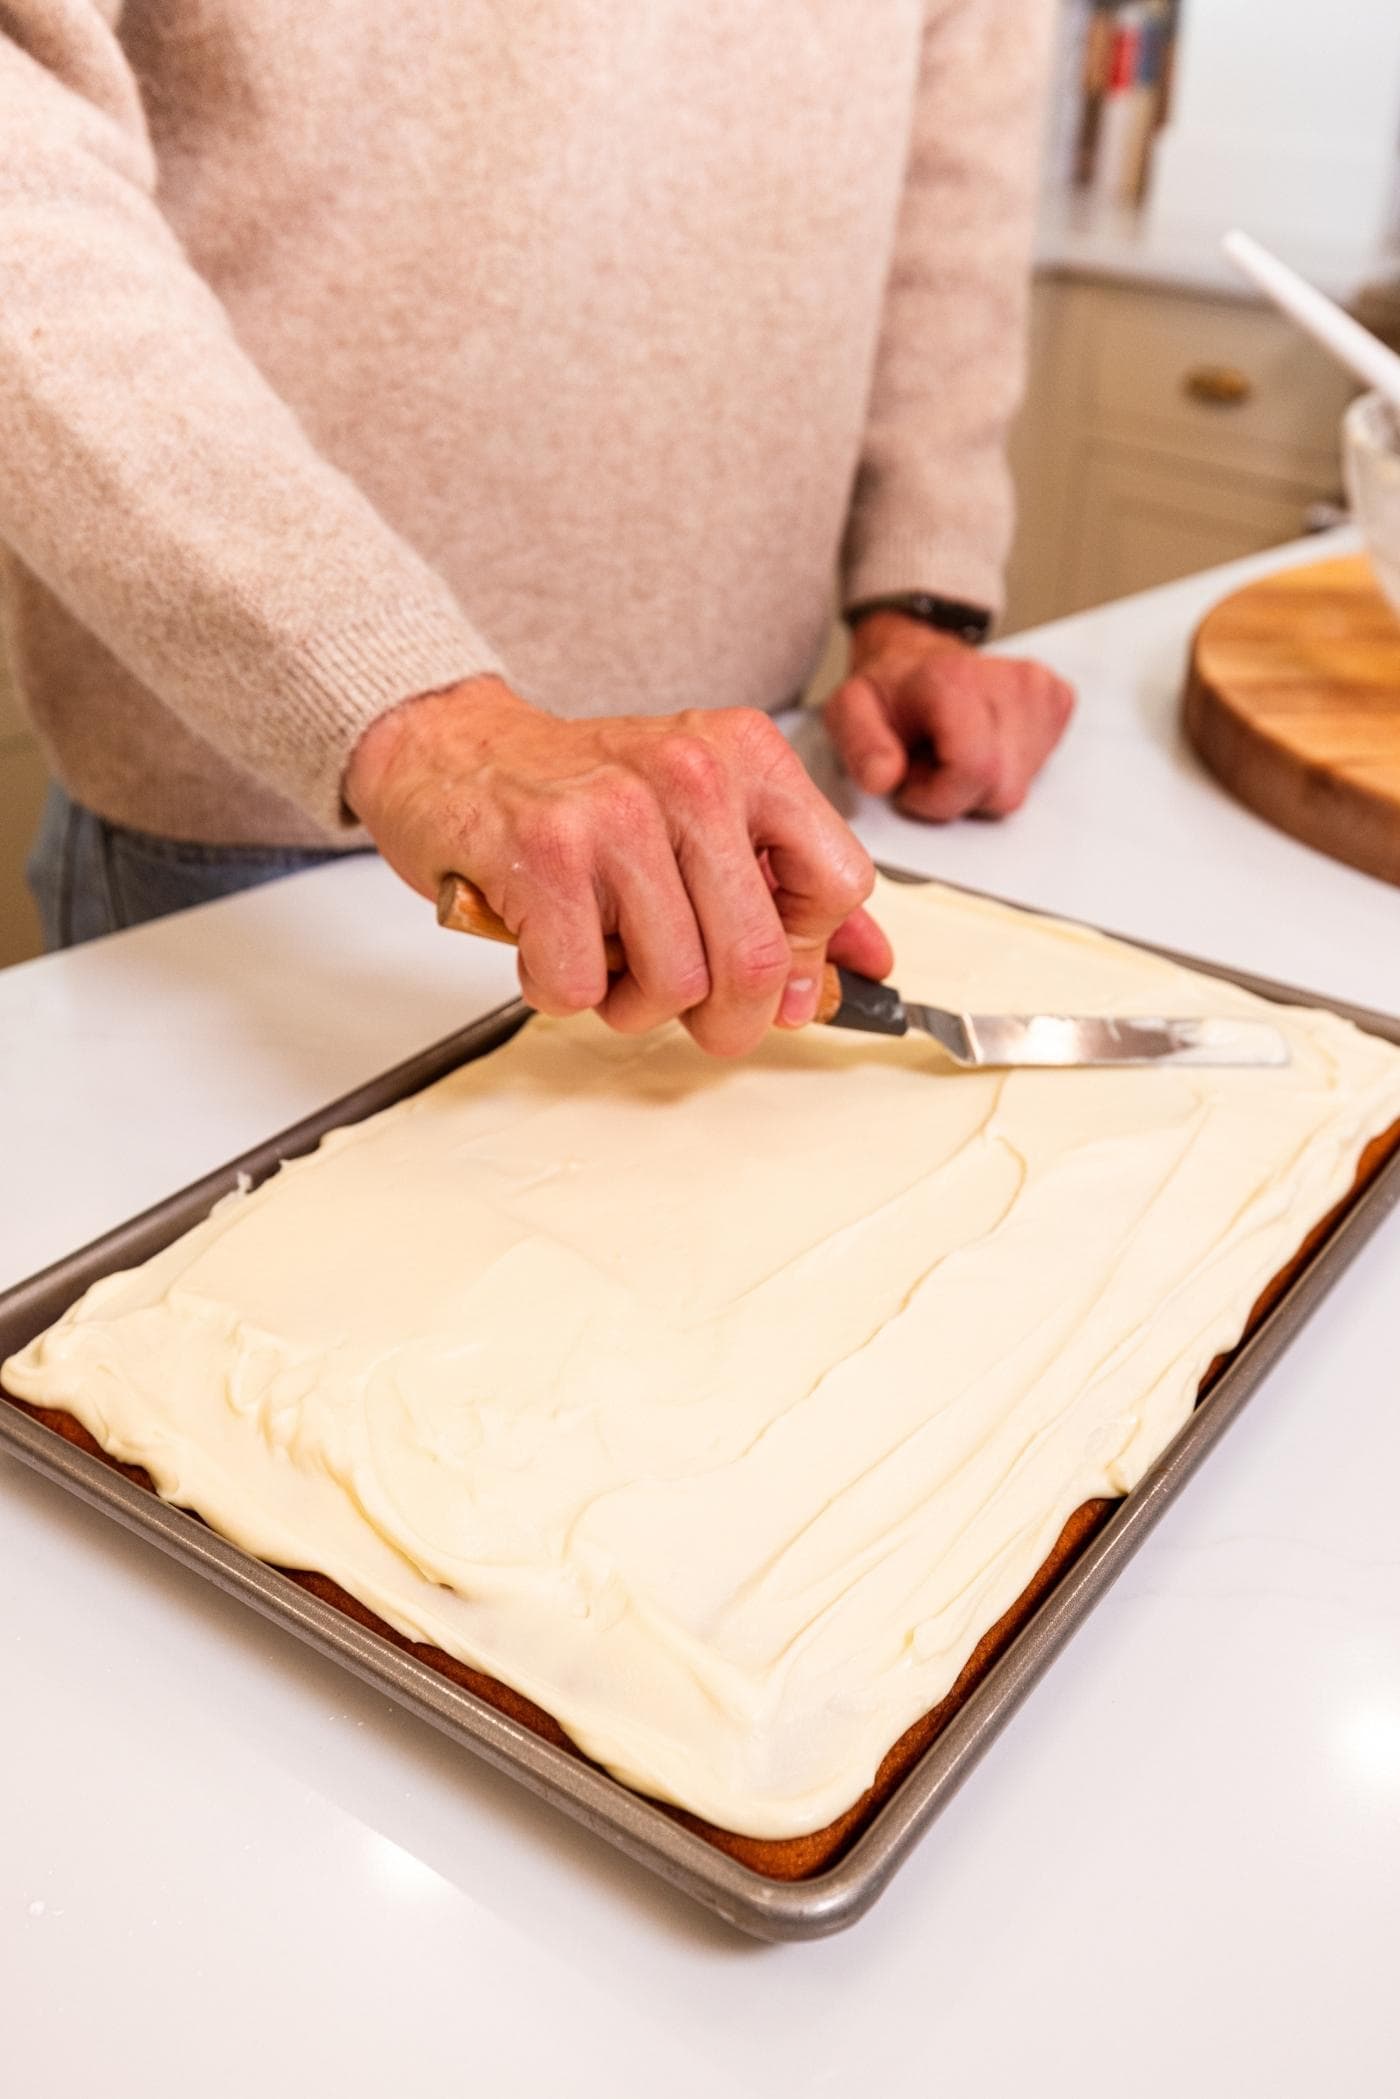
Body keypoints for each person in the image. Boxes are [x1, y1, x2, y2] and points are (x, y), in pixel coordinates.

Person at [1, 1, 1073, 1057]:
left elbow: (954, 134)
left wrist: (919, 593)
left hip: (764, 803)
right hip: (264, 827)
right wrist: (413, 719)